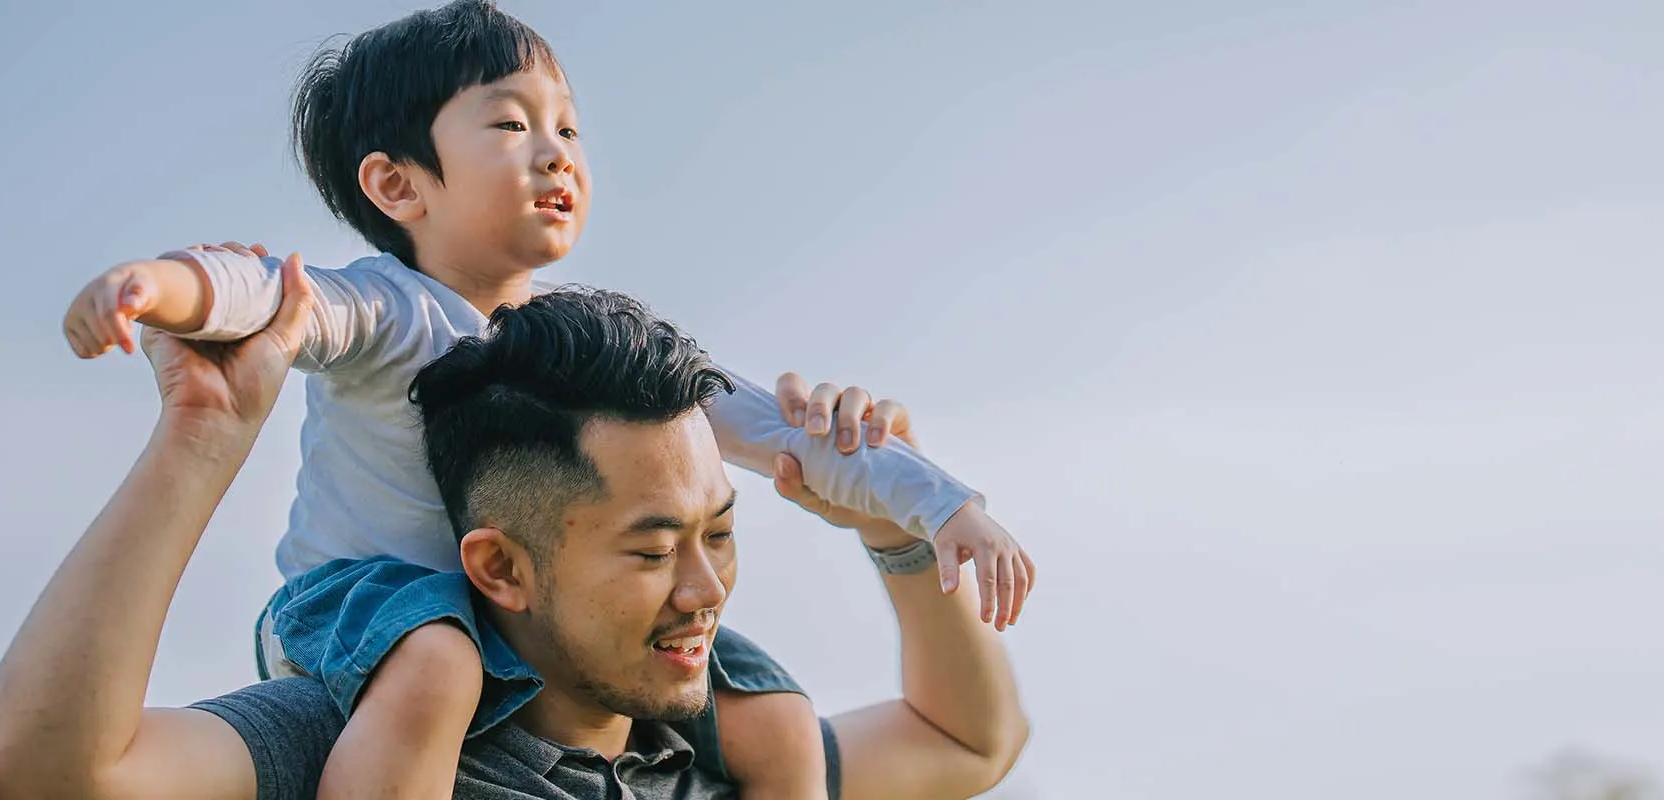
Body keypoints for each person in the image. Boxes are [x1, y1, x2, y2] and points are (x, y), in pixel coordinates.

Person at [52, 2, 1034, 797]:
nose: (557, 151)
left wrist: (935, 507)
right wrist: (157, 287)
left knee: (772, 714)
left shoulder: (595, 358)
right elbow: (263, 292)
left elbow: (779, 426)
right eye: (511, 125)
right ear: (396, 184)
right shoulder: (383, 310)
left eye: (567, 127)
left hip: (528, 634)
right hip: (358, 609)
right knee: (437, 665)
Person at [0, 278, 1029, 799]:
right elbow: (35, 769)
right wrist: (196, 444)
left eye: (720, 532)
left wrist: (892, 528)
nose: (705, 588)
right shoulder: (355, 738)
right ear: (501, 567)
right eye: (653, 549)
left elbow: (969, 741)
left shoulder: (722, 758)